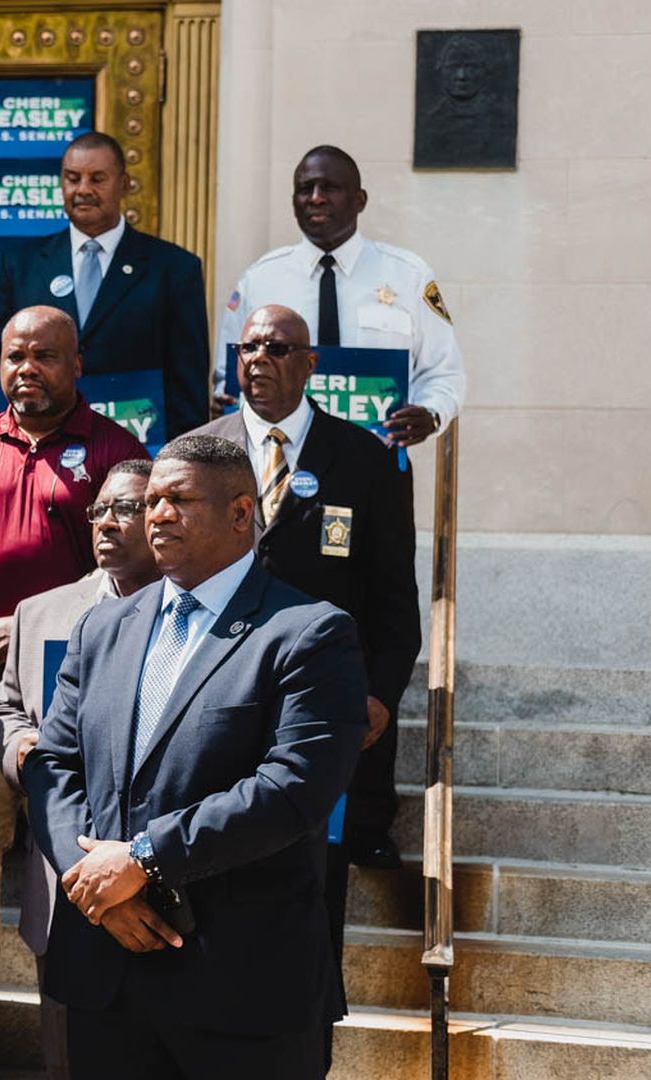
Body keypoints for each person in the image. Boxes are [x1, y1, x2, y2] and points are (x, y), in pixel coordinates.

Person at [23, 434, 366, 1079]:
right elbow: (54, 766)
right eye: (151, 501)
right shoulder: (104, 628)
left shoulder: (309, 632)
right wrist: (93, 881)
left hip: (241, 989)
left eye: (178, 499)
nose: (156, 515)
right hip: (109, 974)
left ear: (241, 514)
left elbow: (294, 788)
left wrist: (144, 860)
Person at [0, 305, 147, 1077]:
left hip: (83, 681)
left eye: (44, 355)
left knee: (71, 858)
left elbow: (134, 553)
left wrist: (30, 621)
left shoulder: (115, 450)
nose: (26, 370)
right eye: (14, 356)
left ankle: (76, 1042)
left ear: (78, 364)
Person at [190, 306, 420, 1000]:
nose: (259, 358)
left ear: (310, 362)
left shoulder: (366, 460)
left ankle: (306, 1032)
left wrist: (381, 693)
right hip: (217, 698)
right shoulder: (197, 451)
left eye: (279, 347)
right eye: (249, 346)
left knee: (313, 885)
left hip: (320, 705)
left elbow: (393, 599)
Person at [0, 458, 158, 1079]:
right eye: (99, 510)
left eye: (127, 508)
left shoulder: (189, 613)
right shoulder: (42, 612)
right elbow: (3, 704)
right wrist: (21, 745)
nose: (108, 522)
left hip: (155, 881)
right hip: (61, 881)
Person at [218, 145, 466, 446]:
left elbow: (443, 371)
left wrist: (431, 413)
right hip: (277, 460)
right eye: (305, 189)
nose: (316, 197)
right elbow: (228, 376)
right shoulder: (260, 280)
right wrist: (227, 403)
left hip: (376, 457)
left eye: (330, 188)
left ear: (360, 201)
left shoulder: (408, 276)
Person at [0, 132, 209, 440]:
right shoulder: (21, 266)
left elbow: (187, 383)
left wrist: (183, 458)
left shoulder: (174, 268)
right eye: (73, 179)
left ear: (125, 184)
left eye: (97, 179)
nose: (83, 190)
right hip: (40, 450)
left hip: (136, 452)